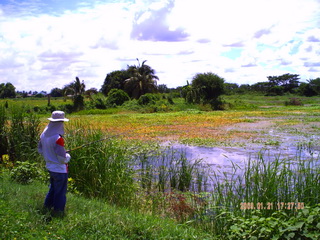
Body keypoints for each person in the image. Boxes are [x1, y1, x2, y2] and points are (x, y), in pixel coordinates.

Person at [38, 111, 71, 217]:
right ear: (60, 123)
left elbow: (40, 149)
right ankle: (58, 211)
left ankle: (47, 206)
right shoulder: (58, 138)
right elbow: (62, 159)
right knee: (60, 192)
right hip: (59, 170)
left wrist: (52, 154)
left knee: (53, 188)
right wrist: (68, 156)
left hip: (50, 167)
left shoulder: (43, 135)